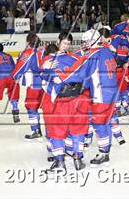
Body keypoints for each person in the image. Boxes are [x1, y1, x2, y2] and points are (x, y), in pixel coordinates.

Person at [55, 29, 119, 166]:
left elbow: (80, 73)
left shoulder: (93, 54)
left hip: (101, 94)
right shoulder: (106, 50)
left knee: (99, 123)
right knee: (106, 122)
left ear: (93, 40)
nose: (85, 43)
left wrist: (61, 75)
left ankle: (103, 153)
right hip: (112, 91)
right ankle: (106, 150)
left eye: (87, 41)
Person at [40, 32, 90, 173]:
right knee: (77, 130)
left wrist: (49, 72)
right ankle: (77, 159)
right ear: (58, 41)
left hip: (61, 101)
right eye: (64, 43)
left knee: (57, 131)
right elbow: (85, 77)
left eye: (68, 44)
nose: (66, 46)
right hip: (77, 99)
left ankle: (61, 162)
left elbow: (43, 78)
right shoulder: (76, 57)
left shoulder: (49, 59)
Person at [12, 32, 45, 140]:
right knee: (41, 107)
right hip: (44, 83)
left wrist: (15, 76)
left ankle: (35, 130)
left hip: (34, 84)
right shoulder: (41, 51)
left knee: (31, 107)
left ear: (28, 42)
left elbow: (20, 67)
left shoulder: (28, 52)